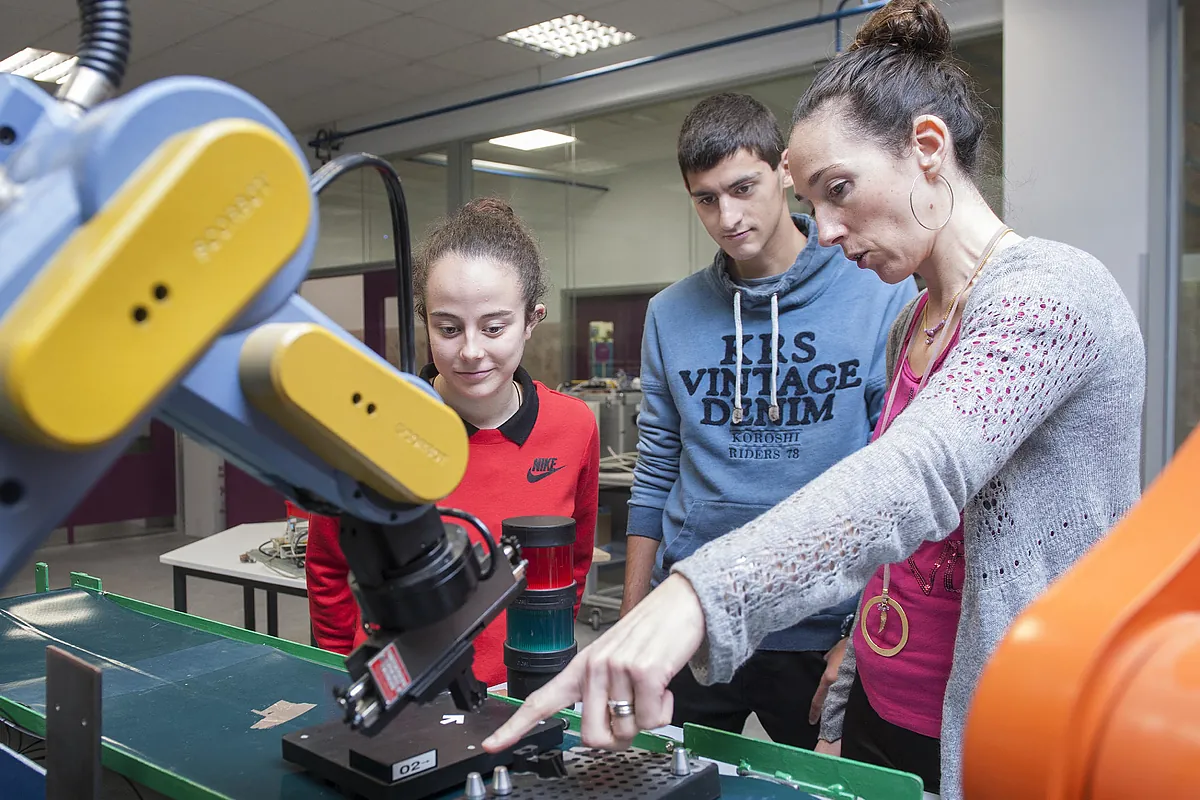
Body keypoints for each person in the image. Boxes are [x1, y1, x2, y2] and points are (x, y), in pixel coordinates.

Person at [483, 3, 1145, 798]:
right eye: (813, 201)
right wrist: (848, 683)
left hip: (1005, 716)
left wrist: (694, 597)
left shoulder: (1050, 296)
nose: (823, 232)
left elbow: (912, 478)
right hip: (885, 706)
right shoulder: (913, 324)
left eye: (839, 190)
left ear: (927, 149)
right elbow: (901, 549)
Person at [619, 91, 915, 749]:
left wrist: (862, 633)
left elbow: (900, 481)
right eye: (704, 199)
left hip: (822, 625)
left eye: (742, 187)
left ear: (784, 171)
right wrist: (633, 620)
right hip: (695, 616)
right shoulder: (671, 314)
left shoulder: (878, 291)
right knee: (667, 785)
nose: (726, 216)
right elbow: (655, 473)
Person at [302, 197, 599, 689]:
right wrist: (334, 673)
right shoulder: (374, 431)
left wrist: (542, 655)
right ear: (425, 323)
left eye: (494, 327)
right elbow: (330, 566)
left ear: (532, 320)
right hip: (398, 697)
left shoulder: (573, 427)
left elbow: (572, 561)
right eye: (447, 328)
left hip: (524, 691)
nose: (470, 351)